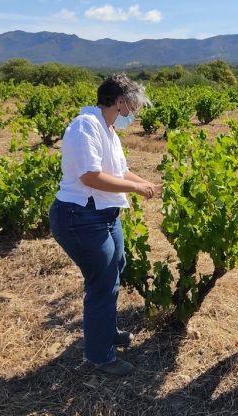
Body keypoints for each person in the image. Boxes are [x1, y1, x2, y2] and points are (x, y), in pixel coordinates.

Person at [49, 74, 161, 376]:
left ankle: (106, 331)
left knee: (116, 268)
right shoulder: (85, 127)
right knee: (102, 283)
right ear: (120, 102)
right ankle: (100, 356)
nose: (134, 114)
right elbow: (91, 177)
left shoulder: (108, 129)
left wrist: (147, 183)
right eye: (133, 107)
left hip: (103, 214)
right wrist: (136, 190)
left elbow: (121, 170)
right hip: (79, 216)